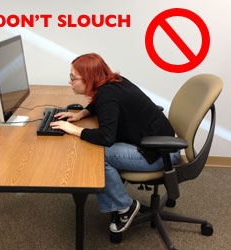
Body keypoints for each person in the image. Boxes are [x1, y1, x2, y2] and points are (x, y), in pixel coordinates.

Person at [50, 53, 180, 233]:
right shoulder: (112, 82)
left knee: (97, 156)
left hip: (160, 152)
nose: (69, 82)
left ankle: (124, 207)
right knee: (92, 148)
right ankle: (116, 194)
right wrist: (81, 114)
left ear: (89, 79)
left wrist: (75, 130)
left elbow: (106, 138)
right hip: (157, 141)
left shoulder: (107, 96)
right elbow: (99, 103)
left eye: (73, 78)